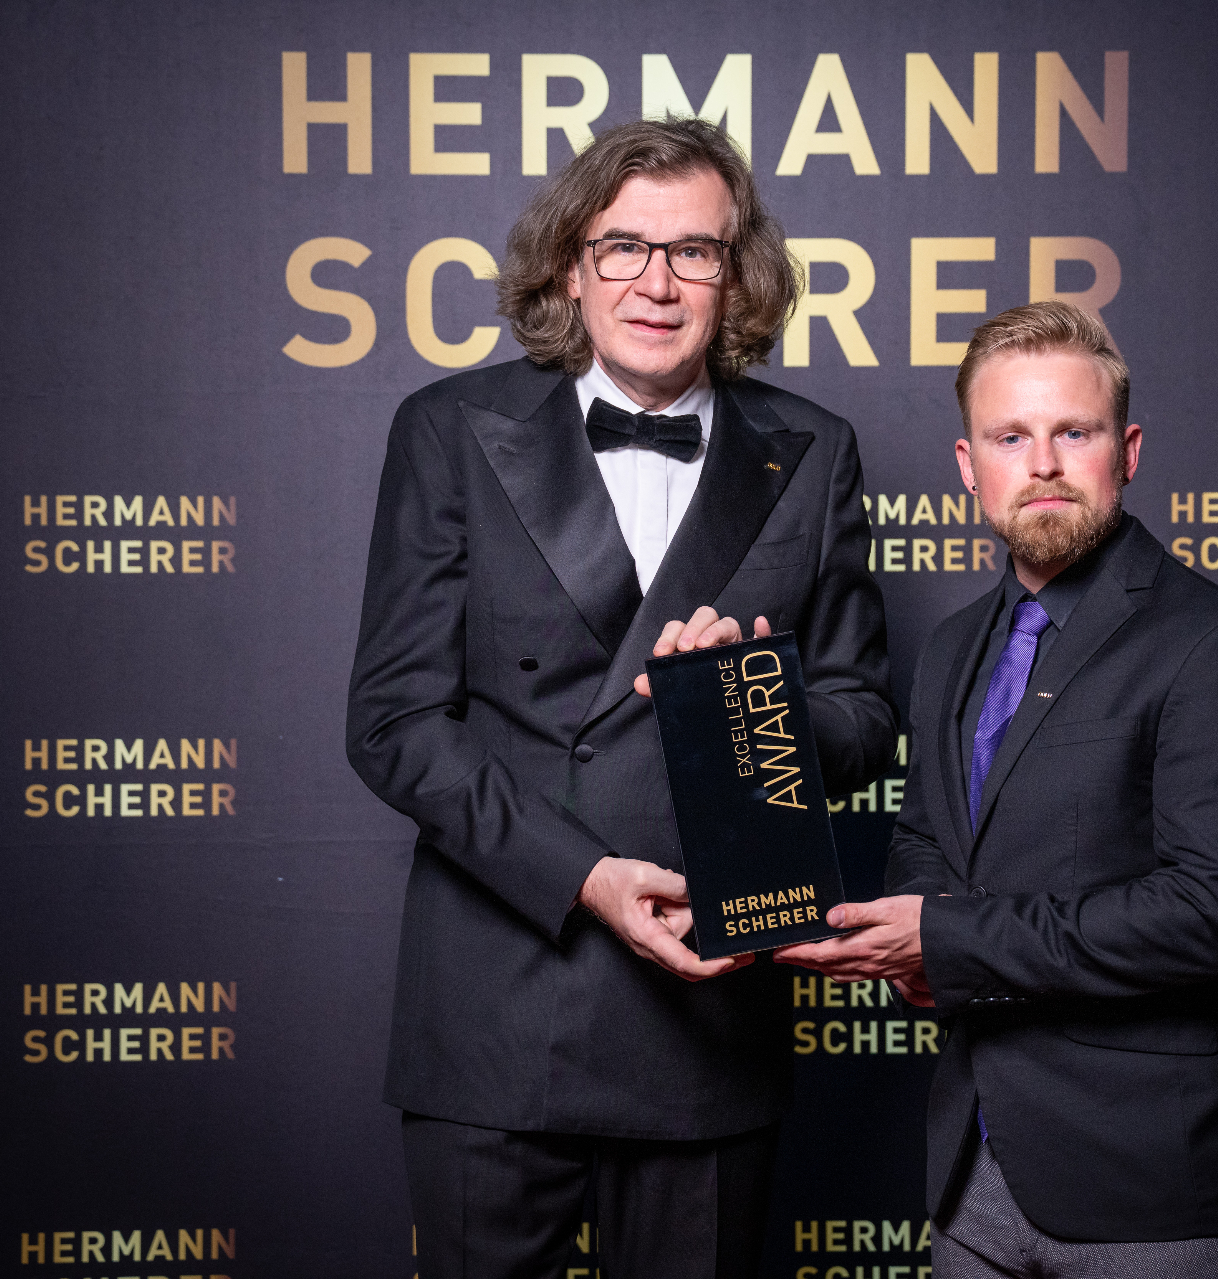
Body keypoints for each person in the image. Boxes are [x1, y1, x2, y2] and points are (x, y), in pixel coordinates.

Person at [344, 116, 894, 1279]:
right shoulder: (448, 431)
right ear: (570, 266)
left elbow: (862, 717)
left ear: (737, 276)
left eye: (694, 250)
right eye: (624, 247)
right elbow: (395, 724)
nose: (657, 281)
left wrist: (754, 703)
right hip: (498, 1006)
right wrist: (584, 874)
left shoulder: (815, 449)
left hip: (711, 1007)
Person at [777, 302, 1218, 1278]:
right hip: (973, 1183)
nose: (1044, 463)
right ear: (969, 466)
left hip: (1157, 1194)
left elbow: (1207, 916)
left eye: (1075, 433)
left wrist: (946, 938)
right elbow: (926, 843)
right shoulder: (951, 647)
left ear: (1127, 452)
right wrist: (901, 941)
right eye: (1010, 437)